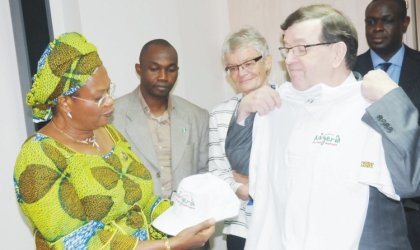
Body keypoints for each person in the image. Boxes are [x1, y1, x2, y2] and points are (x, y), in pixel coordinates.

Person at [226, 5, 415, 250]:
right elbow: (244, 162)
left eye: (301, 48)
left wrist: (392, 100)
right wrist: (243, 112)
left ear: (337, 52)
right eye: (288, 49)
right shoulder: (280, 103)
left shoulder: (373, 104)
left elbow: (410, 181)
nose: (289, 59)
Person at [14, 32, 214, 250]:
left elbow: (144, 201)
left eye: (109, 90)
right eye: (98, 97)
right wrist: (169, 245)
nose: (110, 102)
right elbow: (78, 243)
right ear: (64, 103)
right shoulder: (39, 157)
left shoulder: (109, 134)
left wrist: (186, 218)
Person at [354, 1, 420, 247]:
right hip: (369, 213)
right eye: (371, 22)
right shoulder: (348, 72)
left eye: (387, 20)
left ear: (405, 23)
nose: (377, 28)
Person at [111, 39, 209, 202]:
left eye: (171, 70)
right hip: (135, 223)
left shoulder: (197, 117)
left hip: (185, 221)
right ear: (139, 69)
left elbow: (205, 175)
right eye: (155, 69)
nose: (163, 77)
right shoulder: (112, 117)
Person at [208, 26, 278, 250]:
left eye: (249, 63)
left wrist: (250, 178)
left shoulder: (288, 104)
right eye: (233, 68)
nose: (241, 73)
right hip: (240, 228)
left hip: (283, 225)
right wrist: (243, 188)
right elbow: (217, 172)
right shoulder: (220, 114)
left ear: (267, 61)